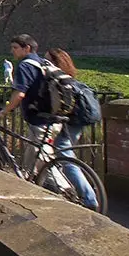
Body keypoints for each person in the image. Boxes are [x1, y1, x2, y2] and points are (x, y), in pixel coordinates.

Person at [0, 34, 57, 180]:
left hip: (39, 119)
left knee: (42, 159)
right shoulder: (43, 63)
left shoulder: (26, 65)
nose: (12, 51)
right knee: (35, 160)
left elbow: (19, 94)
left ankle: (68, 189)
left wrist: (4, 112)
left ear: (27, 48)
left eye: (15, 48)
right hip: (53, 115)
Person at [45, 48, 100, 208]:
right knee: (62, 151)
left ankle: (89, 198)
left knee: (64, 154)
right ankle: (62, 182)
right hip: (79, 121)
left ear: (56, 63)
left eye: (48, 60)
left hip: (72, 121)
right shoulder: (71, 79)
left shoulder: (59, 80)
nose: (45, 63)